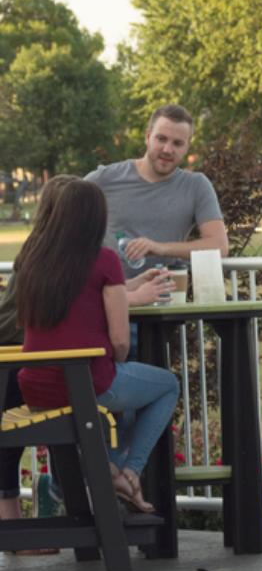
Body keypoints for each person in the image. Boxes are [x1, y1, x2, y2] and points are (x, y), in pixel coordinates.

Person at [0, 177, 174, 530]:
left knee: (103, 409)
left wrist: (128, 289)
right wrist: (117, 360)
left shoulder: (32, 260)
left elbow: (78, 292)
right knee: (166, 385)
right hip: (84, 384)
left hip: (35, 388)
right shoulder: (105, 259)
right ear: (95, 218)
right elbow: (121, 340)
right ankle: (129, 473)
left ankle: (106, 473)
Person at [87, 104, 228, 279]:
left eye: (177, 143)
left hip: (166, 299)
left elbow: (219, 246)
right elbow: (60, 215)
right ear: (147, 137)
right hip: (109, 299)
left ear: (187, 147)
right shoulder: (105, 178)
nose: (168, 149)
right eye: (161, 139)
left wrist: (160, 248)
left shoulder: (196, 186)